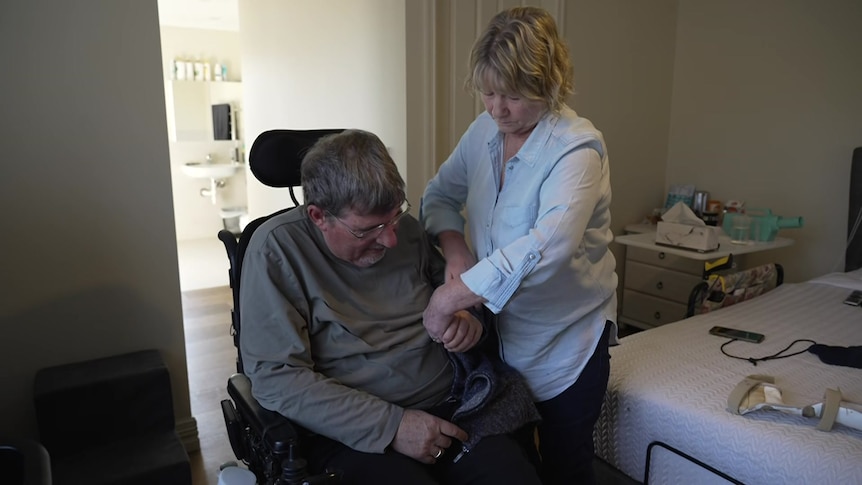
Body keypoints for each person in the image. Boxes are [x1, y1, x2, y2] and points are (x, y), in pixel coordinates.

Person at [239, 129, 541, 485]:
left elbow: (458, 294)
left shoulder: (407, 232)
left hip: (455, 406)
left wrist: (467, 319)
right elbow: (277, 377)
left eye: (394, 217)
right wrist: (393, 426)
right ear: (319, 216)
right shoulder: (276, 251)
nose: (391, 239)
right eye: (369, 229)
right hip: (351, 430)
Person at [420, 6, 619, 484]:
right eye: (488, 92)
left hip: (566, 343)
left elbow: (547, 247)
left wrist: (452, 294)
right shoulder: (484, 132)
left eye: (512, 95)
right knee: (512, 466)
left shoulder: (576, 150)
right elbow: (439, 195)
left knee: (564, 466)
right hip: (498, 338)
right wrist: (456, 252)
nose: (496, 108)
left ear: (548, 85)